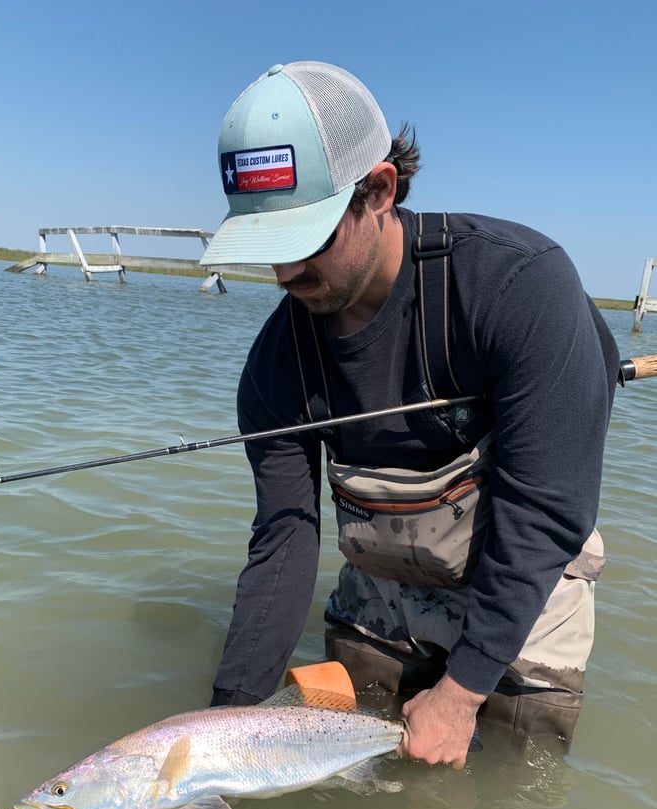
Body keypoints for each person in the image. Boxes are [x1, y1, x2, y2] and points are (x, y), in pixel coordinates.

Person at [199, 61, 620, 767]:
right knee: (365, 776)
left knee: (513, 782)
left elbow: (546, 513)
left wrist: (461, 693)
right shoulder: (275, 364)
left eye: (305, 241)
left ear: (381, 191)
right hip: (381, 587)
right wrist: (219, 727)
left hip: (525, 567)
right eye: (264, 248)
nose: (283, 275)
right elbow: (284, 542)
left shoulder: (520, 286)